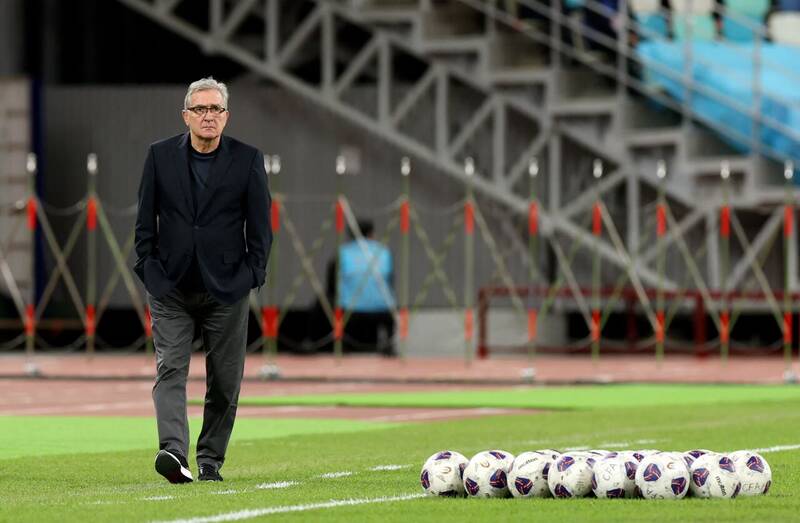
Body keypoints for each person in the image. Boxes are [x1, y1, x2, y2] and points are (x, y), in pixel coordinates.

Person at [134, 77, 271, 483]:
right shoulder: (159, 156)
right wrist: (149, 269)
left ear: (226, 116)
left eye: (215, 109)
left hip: (227, 288)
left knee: (225, 381)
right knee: (170, 370)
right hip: (170, 286)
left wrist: (252, 274)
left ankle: (210, 459)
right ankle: (174, 453)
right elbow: (144, 222)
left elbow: (260, 228)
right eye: (200, 109)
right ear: (186, 116)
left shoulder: (247, 159)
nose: (208, 116)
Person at [336, 220, 396, 356]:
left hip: (350, 311)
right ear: (371, 233)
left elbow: (332, 284)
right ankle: (389, 346)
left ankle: (340, 345)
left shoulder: (343, 252)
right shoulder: (384, 251)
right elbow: (391, 281)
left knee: (330, 301)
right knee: (388, 301)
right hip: (383, 310)